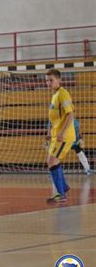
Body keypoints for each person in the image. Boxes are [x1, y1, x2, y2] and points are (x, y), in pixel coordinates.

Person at [45, 69, 76, 203]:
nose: (48, 82)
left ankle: (61, 194)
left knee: (52, 161)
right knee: (51, 161)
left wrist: (62, 133)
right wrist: (49, 132)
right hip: (55, 135)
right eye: (47, 80)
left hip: (64, 136)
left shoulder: (63, 94)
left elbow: (70, 114)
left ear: (59, 80)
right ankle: (63, 187)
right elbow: (53, 118)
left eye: (51, 80)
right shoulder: (55, 95)